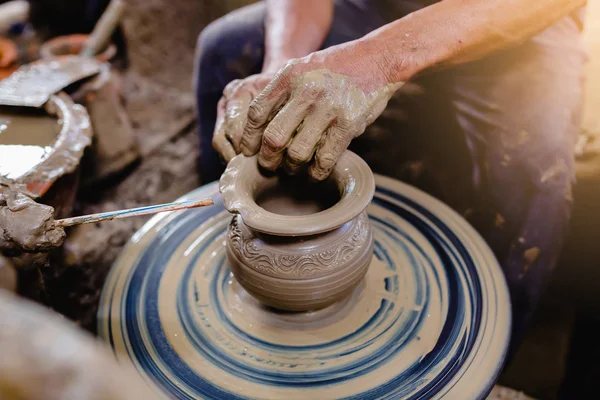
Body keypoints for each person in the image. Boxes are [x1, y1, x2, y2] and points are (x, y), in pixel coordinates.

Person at [194, 0, 586, 352]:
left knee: (532, 159)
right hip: (377, 6)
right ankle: (217, 267)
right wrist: (284, 69)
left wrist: (380, 60)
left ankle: (479, 356)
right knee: (224, 51)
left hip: (514, 21)